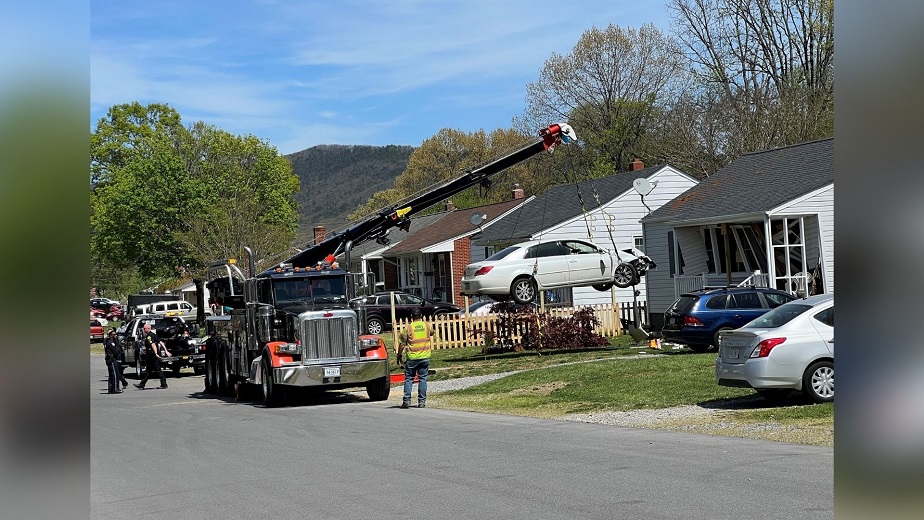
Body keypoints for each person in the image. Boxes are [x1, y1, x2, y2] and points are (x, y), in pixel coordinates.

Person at [397, 308, 433, 408]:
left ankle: (407, 400)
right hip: (425, 357)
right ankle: (421, 402)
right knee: (423, 379)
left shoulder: (408, 328)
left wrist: (399, 356)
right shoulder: (426, 325)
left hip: (412, 358)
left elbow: (402, 344)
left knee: (409, 379)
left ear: (412, 317)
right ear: (421, 316)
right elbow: (432, 332)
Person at [134, 323, 171, 389]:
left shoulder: (149, 336)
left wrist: (156, 353)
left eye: (144, 328)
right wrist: (166, 350)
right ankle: (142, 385)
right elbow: (161, 343)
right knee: (148, 371)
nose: (144, 330)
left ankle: (164, 384)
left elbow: (153, 345)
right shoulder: (154, 335)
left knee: (158, 370)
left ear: (147, 329)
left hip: (152, 356)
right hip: (152, 355)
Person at [103, 329, 127, 393]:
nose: (115, 335)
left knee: (112, 375)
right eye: (114, 334)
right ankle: (115, 389)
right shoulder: (110, 342)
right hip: (112, 360)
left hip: (113, 360)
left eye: (115, 334)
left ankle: (111, 389)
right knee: (115, 375)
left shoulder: (114, 341)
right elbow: (116, 351)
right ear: (110, 335)